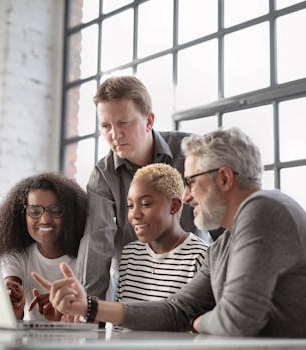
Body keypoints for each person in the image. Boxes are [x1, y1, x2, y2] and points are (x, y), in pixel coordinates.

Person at [32, 128, 306, 350]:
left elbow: (236, 322)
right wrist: (90, 307)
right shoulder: (223, 246)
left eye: (190, 182)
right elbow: (176, 310)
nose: (186, 196)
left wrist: (199, 322)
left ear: (225, 177)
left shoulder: (266, 209)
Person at [76, 75, 211, 300]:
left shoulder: (190, 152)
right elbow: (96, 241)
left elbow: (220, 218)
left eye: (123, 123)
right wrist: (88, 308)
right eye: (106, 126)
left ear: (149, 121)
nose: (115, 135)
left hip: (193, 277)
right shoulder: (103, 174)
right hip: (136, 285)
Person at [0, 173, 87, 320]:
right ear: (23, 217)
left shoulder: (85, 258)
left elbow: (99, 322)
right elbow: (11, 286)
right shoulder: (17, 257)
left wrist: (64, 311)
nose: (45, 219)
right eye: (34, 211)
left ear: (70, 215)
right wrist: (11, 302)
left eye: (55, 210)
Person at [118, 163, 208, 302]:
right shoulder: (130, 254)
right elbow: (121, 320)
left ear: (174, 206)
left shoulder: (201, 257)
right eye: (130, 205)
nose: (134, 214)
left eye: (146, 204)